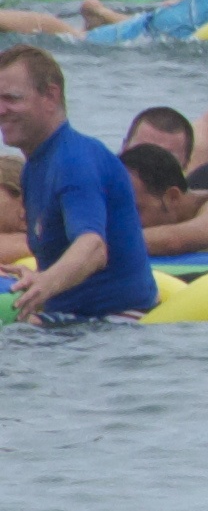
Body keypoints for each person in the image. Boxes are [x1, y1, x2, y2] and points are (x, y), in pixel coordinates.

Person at [3, 45, 155, 320]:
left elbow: (94, 248)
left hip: (119, 321)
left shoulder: (75, 161)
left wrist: (44, 284)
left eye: (11, 98)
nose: (1, 110)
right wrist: (37, 276)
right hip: (73, 321)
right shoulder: (34, 167)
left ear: (51, 96)